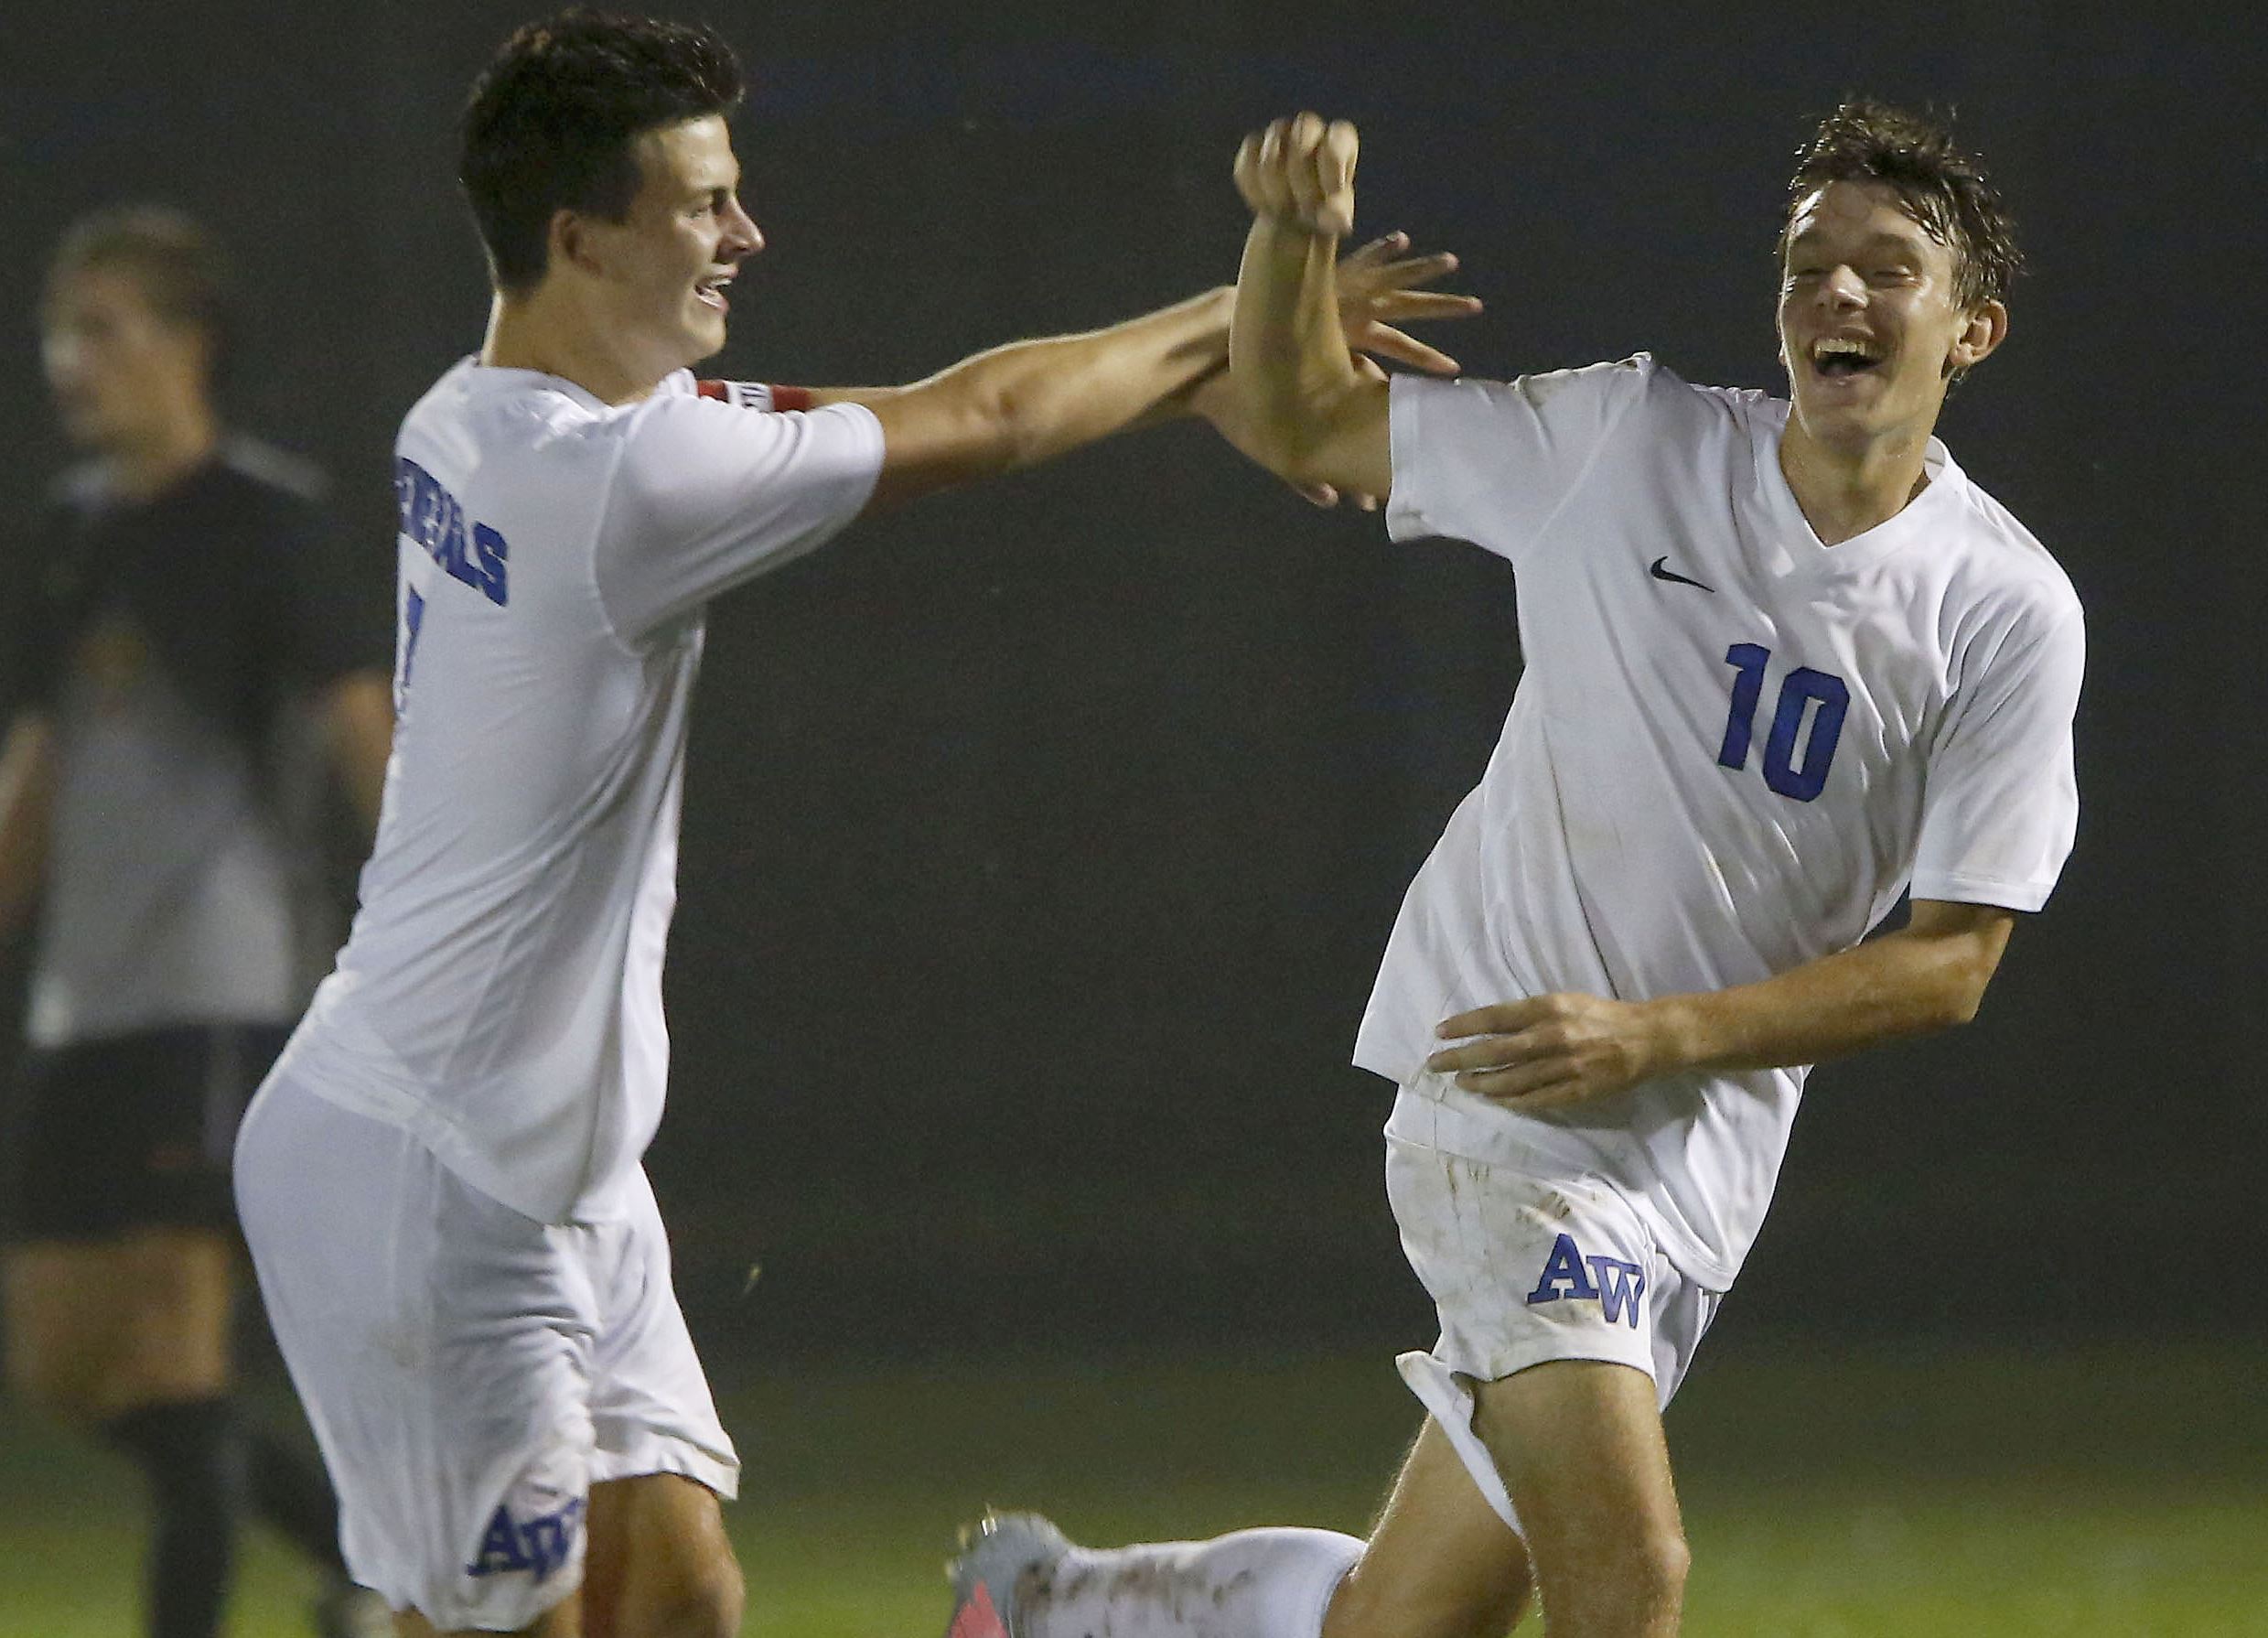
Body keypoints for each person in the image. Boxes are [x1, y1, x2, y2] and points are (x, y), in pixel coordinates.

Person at [225, 13, 1474, 1637]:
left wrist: (1202, 370)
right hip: (432, 1181)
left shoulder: (474, 418)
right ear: (578, 233)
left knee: (677, 1600)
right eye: (704, 202)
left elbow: (925, 401)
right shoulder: (625, 483)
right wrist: (1249, 301)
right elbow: (994, 419)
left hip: (543, 1167)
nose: (744, 234)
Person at [941, 99, 2082, 1638]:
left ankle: (1064, 1603)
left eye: (1891, 269)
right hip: (1504, 1095)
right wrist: (1292, 242)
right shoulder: (1632, 440)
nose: (1841, 294)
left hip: (1692, 1162)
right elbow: (1308, 421)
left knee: (1404, 1626)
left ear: (1974, 331)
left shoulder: (2005, 608)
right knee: (1630, 1576)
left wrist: (1658, 1039)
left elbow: (1956, 959)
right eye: (1813, 262)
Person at [0, 208, 398, 1638]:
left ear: (191, 344)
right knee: (66, 1364)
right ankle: (365, 1555)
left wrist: (434, 939)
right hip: (85, 1005)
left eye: (103, 326)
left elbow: (370, 739)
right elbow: (38, 772)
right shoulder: (68, 535)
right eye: (61, 330)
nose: (69, 359)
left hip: (223, 990)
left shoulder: (266, 521)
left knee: (172, 1354)